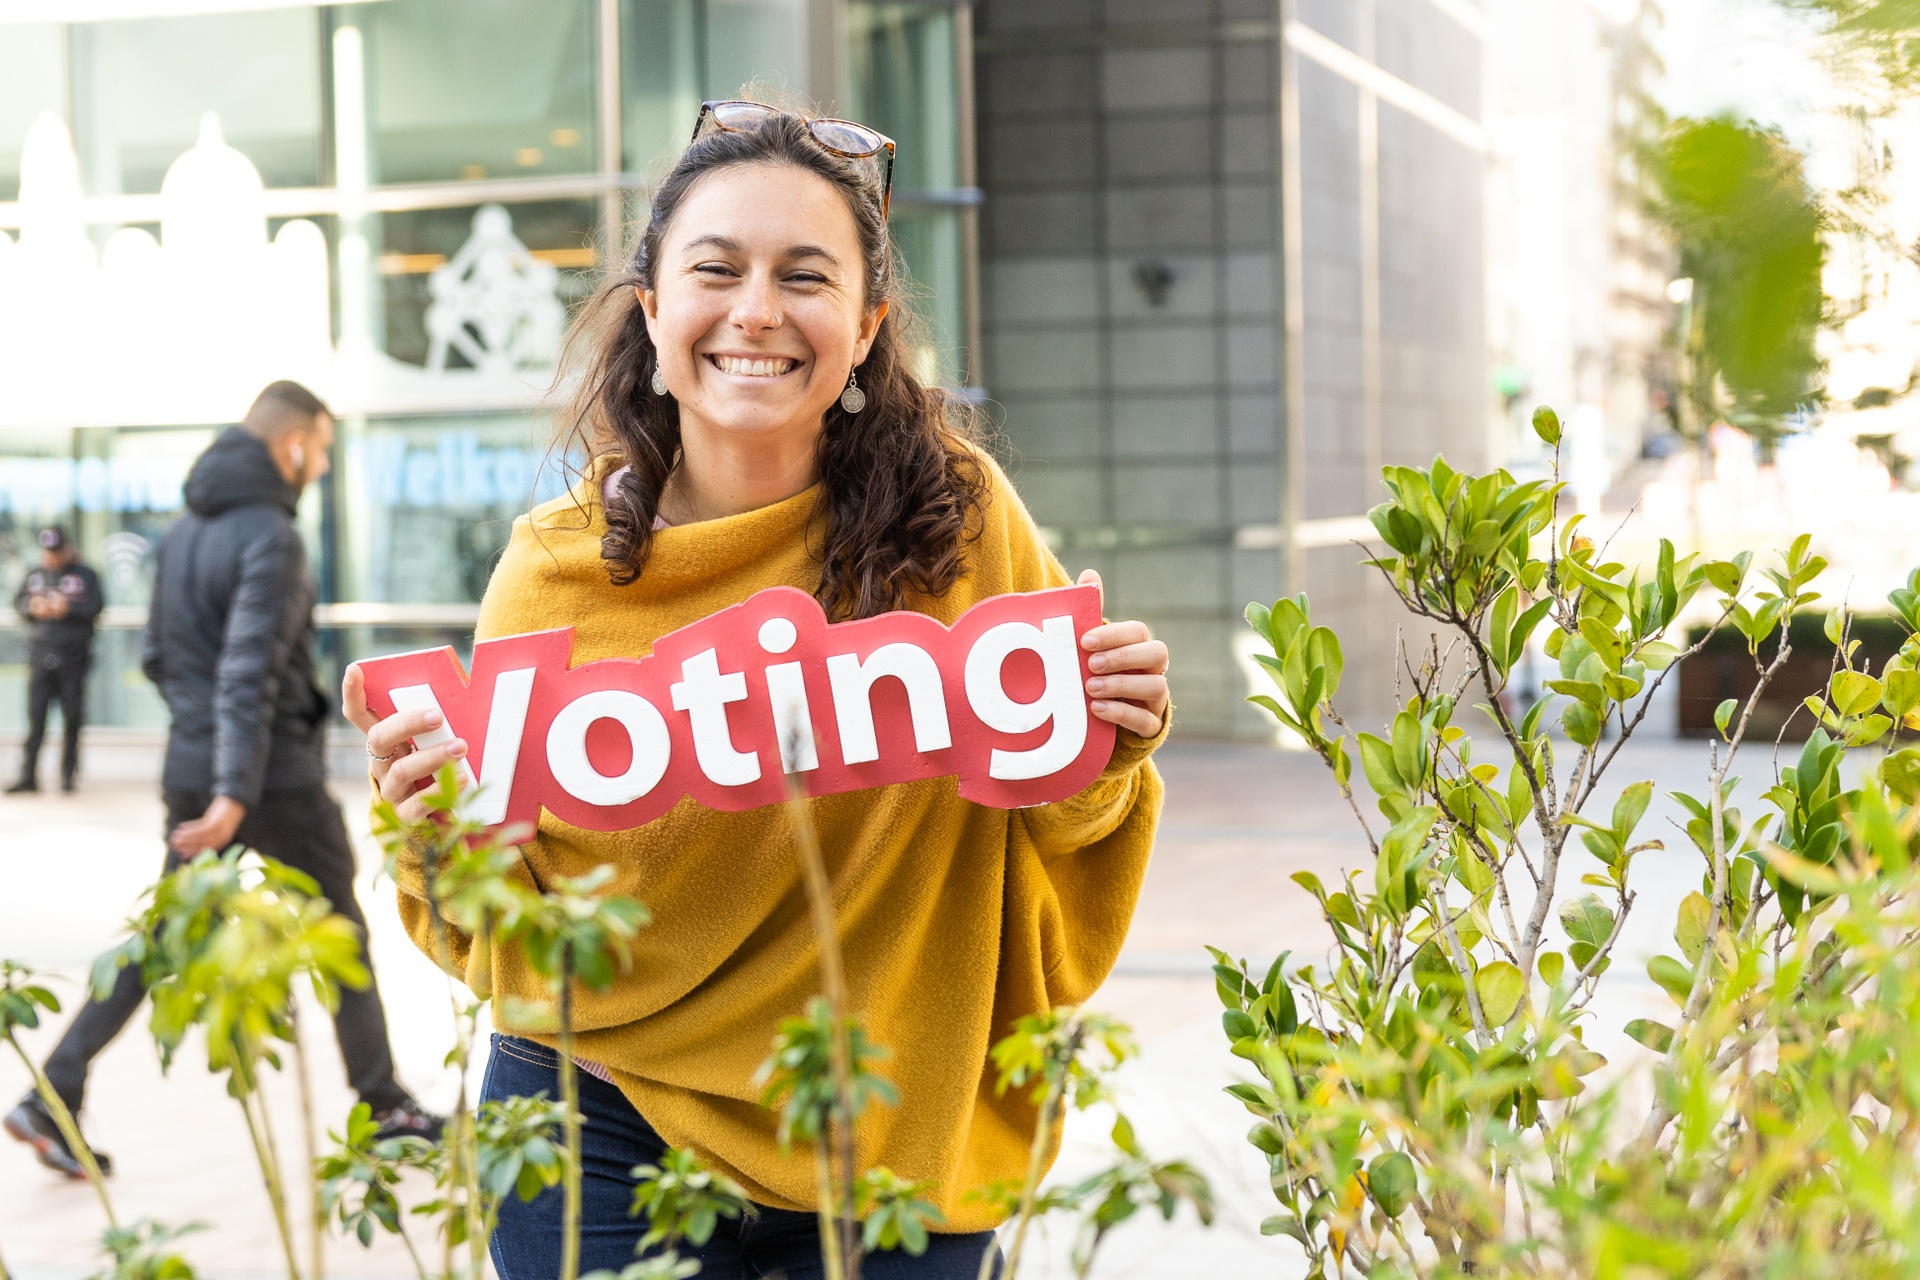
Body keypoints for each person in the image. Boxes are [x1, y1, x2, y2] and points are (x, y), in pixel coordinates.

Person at [344, 102, 1172, 1278]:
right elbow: (490, 911)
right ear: (652, 307)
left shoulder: (961, 518)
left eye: (805, 276)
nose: (757, 311)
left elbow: (1058, 818)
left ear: (868, 322)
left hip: (889, 1128)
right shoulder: (555, 562)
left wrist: (1105, 740)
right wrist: (432, 825)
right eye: (716, 268)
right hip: (599, 1115)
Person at [4, 381, 440, 1181]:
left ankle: (54, 1089)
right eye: (323, 449)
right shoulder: (272, 535)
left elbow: (159, 660)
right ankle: (384, 1108)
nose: (322, 466)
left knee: (167, 932)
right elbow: (249, 668)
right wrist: (235, 789)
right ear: (293, 445)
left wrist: (206, 760)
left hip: (198, 766)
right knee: (339, 930)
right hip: (266, 781)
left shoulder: (180, 534)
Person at [8, 526, 103, 794]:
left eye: (56, 551)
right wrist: (33, 607)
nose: (51, 557)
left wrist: (67, 608)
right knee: (36, 718)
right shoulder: (36, 574)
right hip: (40, 656)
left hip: (73, 658)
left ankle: (67, 776)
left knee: (72, 718)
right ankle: (29, 775)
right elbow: (18, 603)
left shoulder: (85, 575)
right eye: (47, 551)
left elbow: (96, 607)